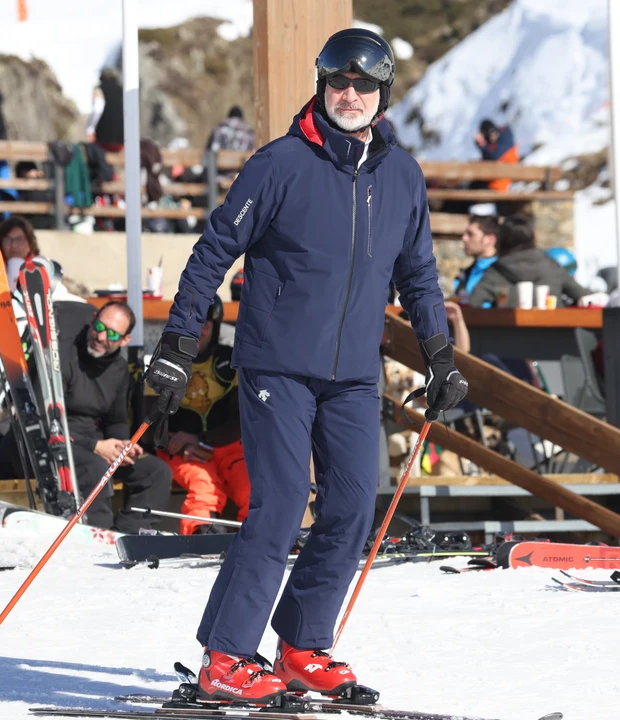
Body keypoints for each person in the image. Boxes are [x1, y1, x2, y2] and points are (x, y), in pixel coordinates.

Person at [143, 28, 467, 704]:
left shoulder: (402, 176)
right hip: (276, 367)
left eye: (364, 86)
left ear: (382, 96)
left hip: (353, 373)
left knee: (352, 505)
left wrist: (440, 356)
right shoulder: (279, 164)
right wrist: (176, 345)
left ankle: (301, 645)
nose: (349, 96)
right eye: (338, 83)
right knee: (284, 501)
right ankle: (226, 657)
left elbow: (421, 278)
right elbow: (210, 255)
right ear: (321, 85)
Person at [56, 300, 173, 532]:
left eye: (111, 334)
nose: (100, 337)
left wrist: (121, 445)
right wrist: (95, 445)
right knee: (96, 466)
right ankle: (101, 537)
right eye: (98, 327)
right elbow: (46, 417)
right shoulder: (64, 356)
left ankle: (129, 535)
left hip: (96, 443)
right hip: (61, 441)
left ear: (125, 340)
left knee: (156, 472)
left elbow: (116, 420)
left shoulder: (119, 369)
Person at [143, 296, 248, 535]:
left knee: (251, 488)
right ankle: (202, 535)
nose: (197, 332)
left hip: (224, 444)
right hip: (178, 447)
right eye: (191, 324)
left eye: (205, 325)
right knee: (204, 485)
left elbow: (241, 421)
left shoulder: (230, 362)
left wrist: (202, 439)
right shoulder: (164, 363)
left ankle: (255, 542)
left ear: (215, 327)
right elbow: (149, 426)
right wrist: (177, 443)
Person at [468, 217, 591, 308]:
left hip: (506, 338)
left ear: (502, 240)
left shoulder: (495, 272)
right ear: (532, 238)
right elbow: (587, 297)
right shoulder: (552, 267)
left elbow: (472, 305)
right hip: (555, 337)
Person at [452, 214, 500, 303]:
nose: (464, 238)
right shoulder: (466, 273)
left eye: (471, 234)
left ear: (490, 239)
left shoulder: (501, 273)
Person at [0, 217, 41, 288]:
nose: (13, 245)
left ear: (30, 244)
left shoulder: (43, 271)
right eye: (8, 240)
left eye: (19, 239)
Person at [473, 119, 518, 192]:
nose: (491, 137)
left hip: (498, 187)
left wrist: (482, 144)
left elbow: (494, 157)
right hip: (492, 183)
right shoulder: (494, 145)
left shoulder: (505, 138)